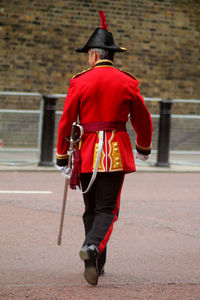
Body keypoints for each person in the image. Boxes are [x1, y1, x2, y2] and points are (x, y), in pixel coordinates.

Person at [56, 10, 153, 286]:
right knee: (108, 210)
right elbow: (143, 120)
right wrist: (142, 147)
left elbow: (65, 121)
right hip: (114, 154)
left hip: (86, 154)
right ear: (110, 55)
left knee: (91, 209)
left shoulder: (79, 81)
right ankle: (92, 248)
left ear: (94, 56)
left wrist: (62, 156)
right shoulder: (128, 82)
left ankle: (96, 262)